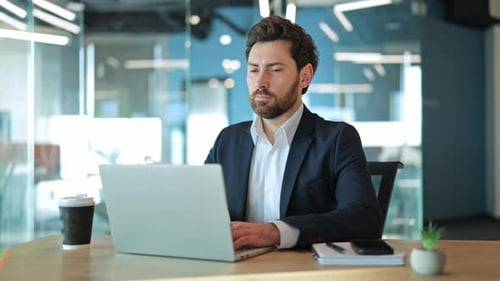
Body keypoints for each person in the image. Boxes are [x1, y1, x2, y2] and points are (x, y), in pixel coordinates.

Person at [205, 15, 381, 250]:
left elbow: (364, 220)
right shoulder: (227, 140)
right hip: (237, 268)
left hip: (304, 270)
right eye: (254, 70)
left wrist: (276, 232)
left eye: (275, 70)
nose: (261, 82)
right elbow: (197, 211)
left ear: (305, 76)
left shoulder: (337, 139)